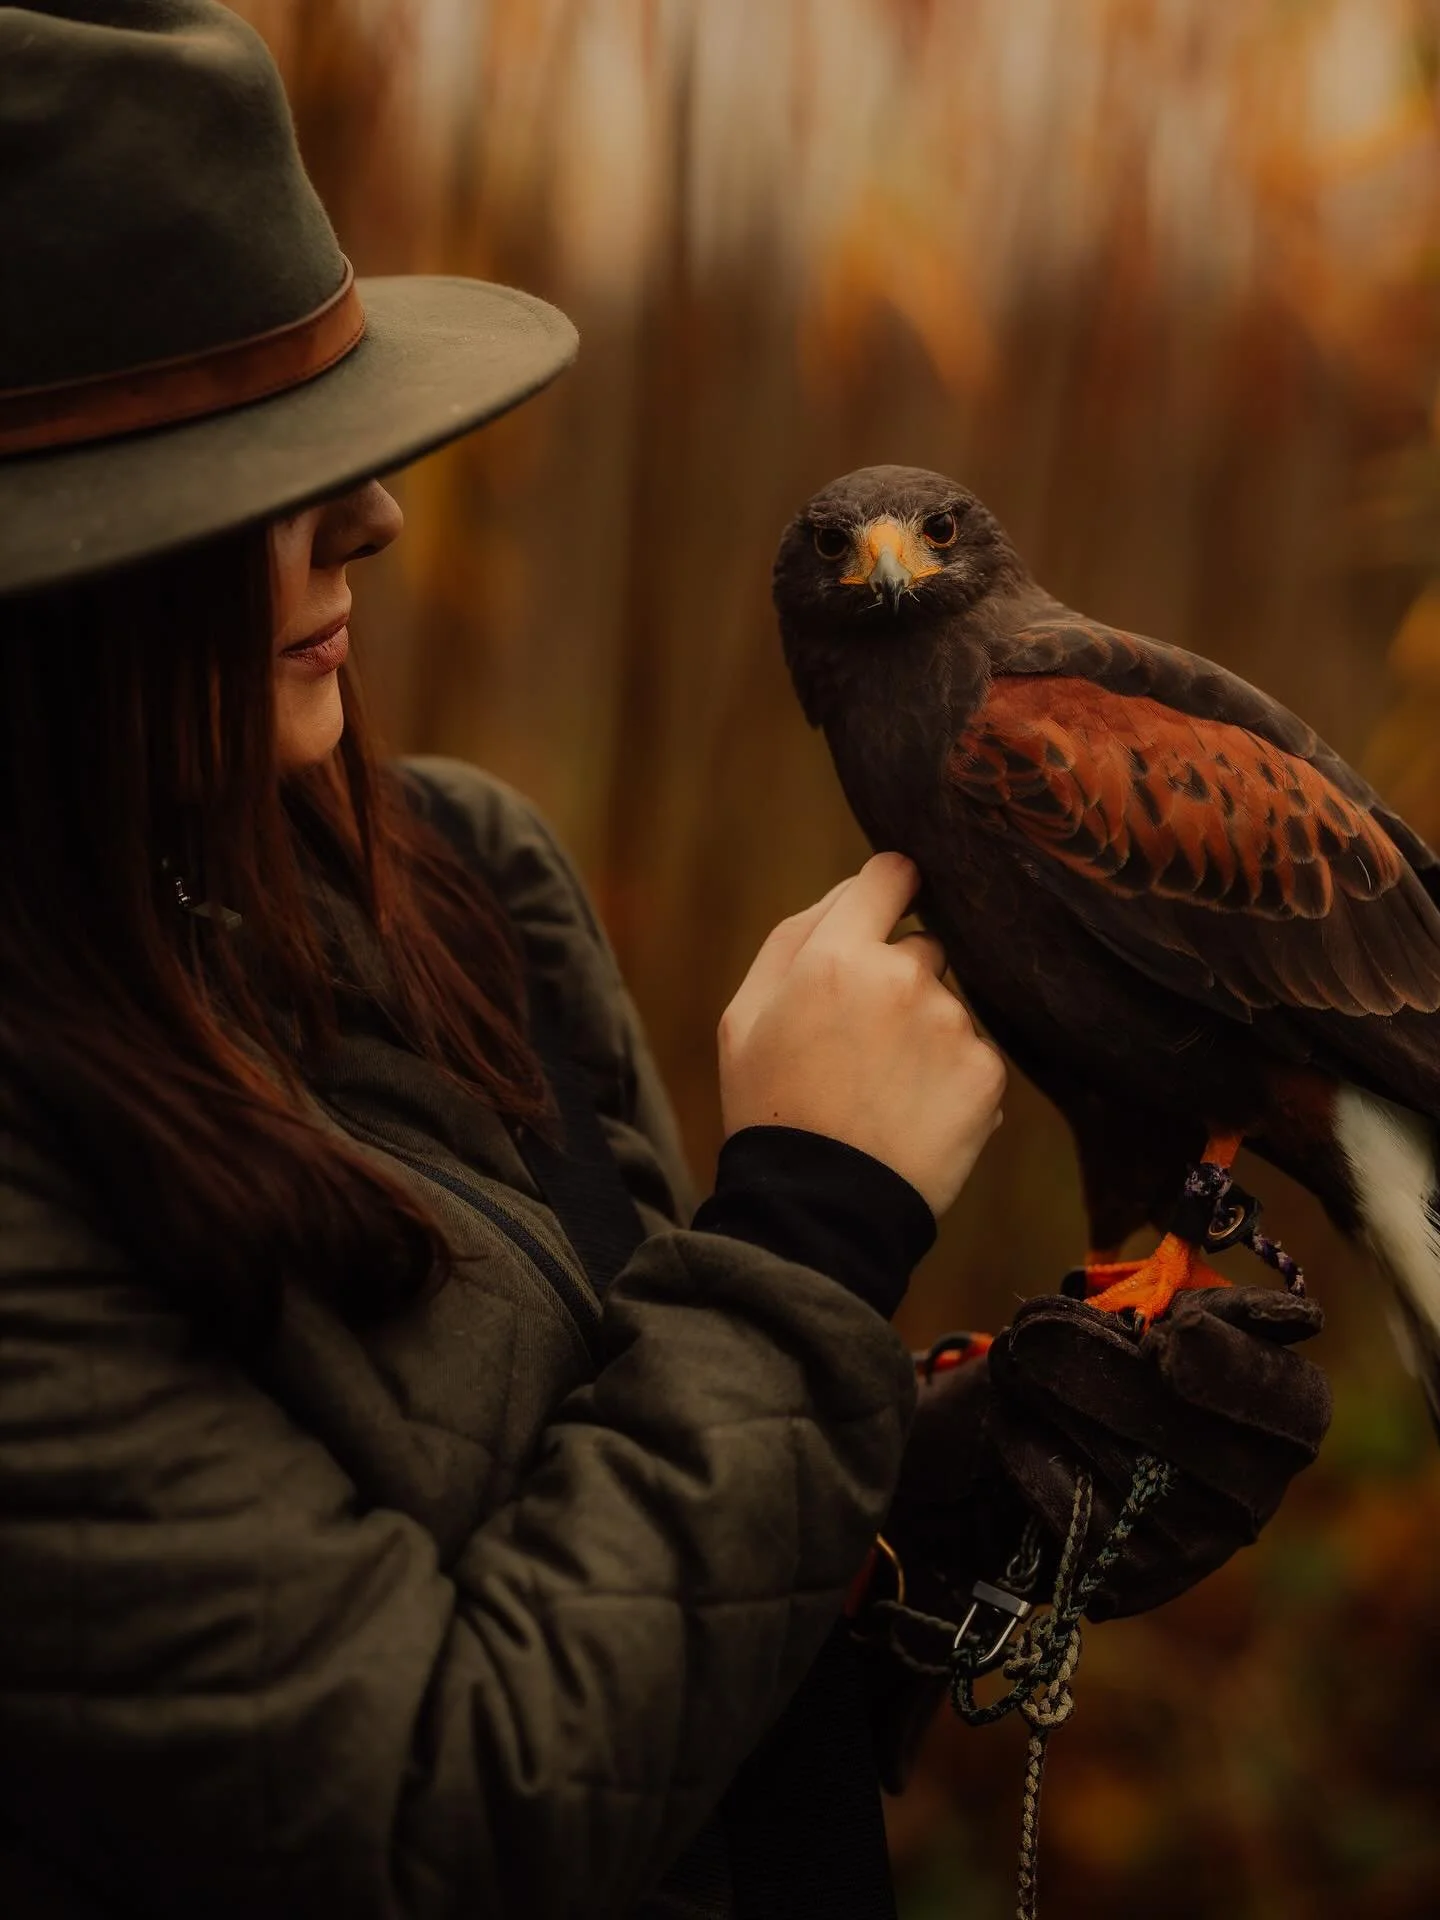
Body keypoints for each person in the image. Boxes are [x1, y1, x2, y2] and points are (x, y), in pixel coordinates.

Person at [0, 5, 1332, 1917]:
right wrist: (811, 1220)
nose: (374, 510)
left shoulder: (460, 878)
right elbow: (433, 1819)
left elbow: (637, 1566)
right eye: (258, 467)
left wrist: (940, 1495)